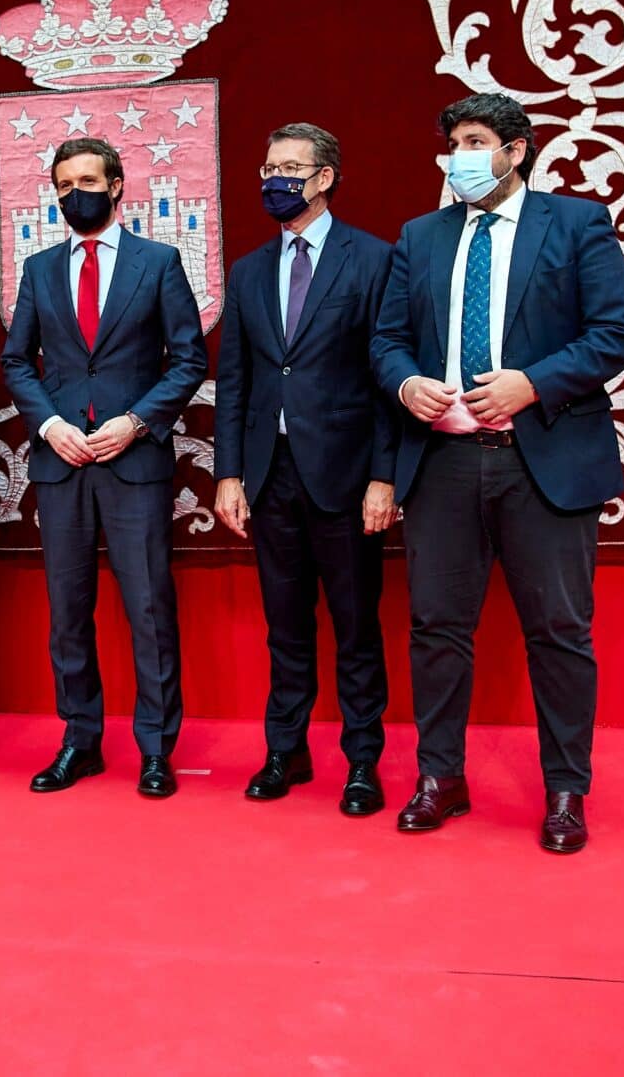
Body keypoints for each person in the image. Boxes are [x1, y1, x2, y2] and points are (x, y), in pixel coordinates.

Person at [370, 93, 624, 853]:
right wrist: (404, 383)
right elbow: (388, 339)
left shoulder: (577, 223)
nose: (461, 153)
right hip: (445, 462)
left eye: (477, 139)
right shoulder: (419, 236)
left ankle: (565, 791)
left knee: (558, 631)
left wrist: (534, 382)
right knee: (436, 628)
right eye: (453, 140)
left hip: (542, 458)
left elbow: (617, 332)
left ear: (516, 150)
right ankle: (440, 777)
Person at [0, 137, 209, 798]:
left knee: (148, 607)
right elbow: (16, 362)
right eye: (63, 184)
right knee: (68, 611)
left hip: (134, 460)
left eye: (87, 180)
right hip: (61, 462)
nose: (74, 194)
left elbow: (188, 360)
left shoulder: (158, 262)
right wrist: (53, 424)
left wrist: (136, 421)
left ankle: (154, 748)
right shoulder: (38, 270)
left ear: (118, 186)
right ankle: (79, 740)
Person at [213, 123, 399, 816]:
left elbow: (388, 379)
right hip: (270, 474)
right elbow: (234, 379)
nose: (275, 178)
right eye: (268, 166)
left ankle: (362, 762)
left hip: (347, 477)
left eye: (290, 167)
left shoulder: (374, 261)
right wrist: (228, 472)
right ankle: (284, 750)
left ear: (325, 177)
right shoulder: (248, 270)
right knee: (284, 624)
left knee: (355, 626)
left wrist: (385, 476)